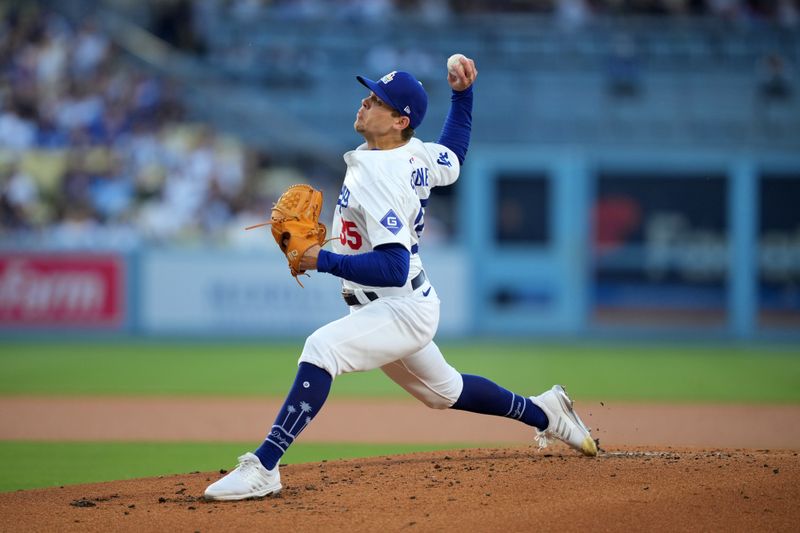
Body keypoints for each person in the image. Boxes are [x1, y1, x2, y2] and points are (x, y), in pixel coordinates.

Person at [204, 54, 597, 501]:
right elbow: (452, 155)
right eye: (369, 94)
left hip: (399, 305)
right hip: (396, 303)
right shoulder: (412, 153)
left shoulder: (382, 174)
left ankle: (265, 466)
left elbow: (391, 267)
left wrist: (321, 259)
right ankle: (545, 412)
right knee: (444, 391)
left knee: (321, 348)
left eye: (377, 100)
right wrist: (463, 95)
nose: (365, 102)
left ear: (399, 120)